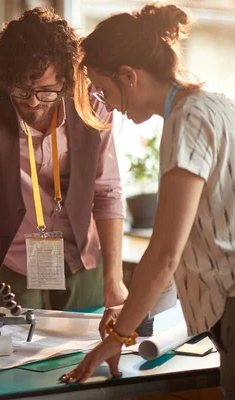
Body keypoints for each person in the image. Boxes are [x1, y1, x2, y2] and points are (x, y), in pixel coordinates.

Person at [60, 4, 235, 397]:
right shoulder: (218, 104)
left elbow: (163, 255)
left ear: (129, 76)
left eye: (104, 90)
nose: (109, 104)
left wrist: (119, 336)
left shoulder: (185, 122)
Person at [0, 7, 127, 330]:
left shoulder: (93, 106)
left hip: (82, 254)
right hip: (9, 259)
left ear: (66, 79)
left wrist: (114, 277)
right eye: (20, 91)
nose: (31, 102)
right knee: (8, 353)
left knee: (82, 349)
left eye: (46, 91)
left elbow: (107, 191)